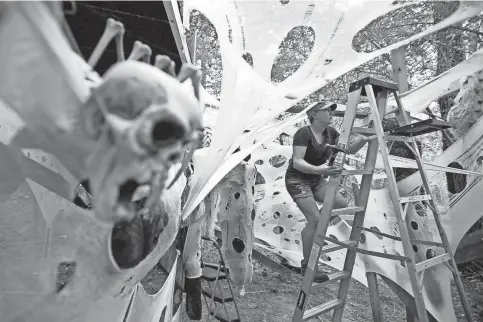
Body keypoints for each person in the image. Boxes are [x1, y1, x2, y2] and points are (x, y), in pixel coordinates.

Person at [285, 101, 369, 282]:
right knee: (314, 219)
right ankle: (307, 265)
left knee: (339, 203)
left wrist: (366, 137)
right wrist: (320, 170)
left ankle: (314, 231)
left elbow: (350, 150)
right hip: (297, 179)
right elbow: (297, 161)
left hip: (315, 179)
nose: (332, 113)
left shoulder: (331, 133)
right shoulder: (303, 133)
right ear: (314, 114)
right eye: (328, 110)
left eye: (333, 110)